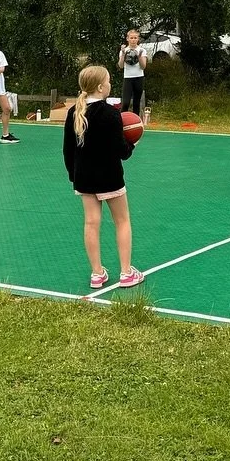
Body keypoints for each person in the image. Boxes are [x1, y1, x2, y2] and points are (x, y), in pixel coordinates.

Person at [64, 64, 143, 289]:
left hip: (84, 178)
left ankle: (97, 273)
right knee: (122, 221)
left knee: (91, 223)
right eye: (108, 81)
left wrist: (74, 176)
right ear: (100, 87)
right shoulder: (110, 114)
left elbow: (68, 150)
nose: (110, 84)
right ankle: (126, 273)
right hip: (109, 177)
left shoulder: (73, 112)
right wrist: (133, 144)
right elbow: (121, 151)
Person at [117, 29, 149, 120]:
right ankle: (122, 122)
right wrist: (123, 54)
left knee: (136, 103)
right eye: (131, 38)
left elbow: (143, 67)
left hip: (139, 77)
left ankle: (136, 122)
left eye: (135, 38)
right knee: (126, 102)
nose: (133, 40)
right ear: (128, 39)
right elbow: (121, 66)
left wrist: (139, 57)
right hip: (128, 78)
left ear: (138, 39)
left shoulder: (141, 50)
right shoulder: (124, 50)